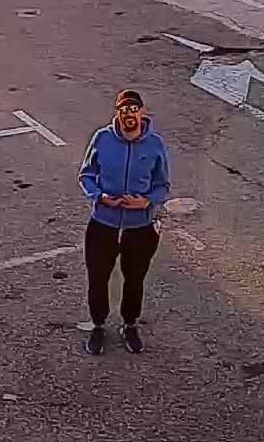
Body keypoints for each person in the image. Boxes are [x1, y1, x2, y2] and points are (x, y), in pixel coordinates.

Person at [78, 88, 171, 354]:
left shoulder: (155, 144)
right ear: (117, 113)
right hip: (103, 224)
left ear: (142, 113)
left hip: (139, 227)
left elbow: (162, 184)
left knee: (135, 279)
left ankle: (130, 325)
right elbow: (86, 175)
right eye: (124, 110)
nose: (129, 116)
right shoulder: (102, 139)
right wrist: (100, 196)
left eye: (134, 110)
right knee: (98, 278)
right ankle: (98, 326)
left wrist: (147, 201)